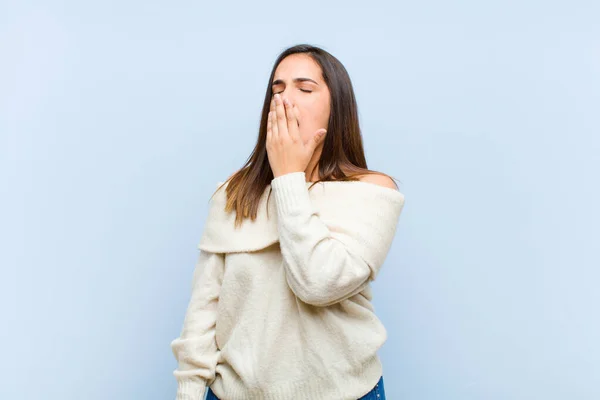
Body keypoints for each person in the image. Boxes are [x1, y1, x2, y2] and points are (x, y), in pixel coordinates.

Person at [170, 44, 405, 400]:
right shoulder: (234, 192)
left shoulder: (372, 191)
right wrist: (188, 391)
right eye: (276, 90)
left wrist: (288, 178)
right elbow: (204, 310)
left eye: (304, 88)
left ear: (336, 108)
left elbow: (317, 284)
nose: (284, 100)